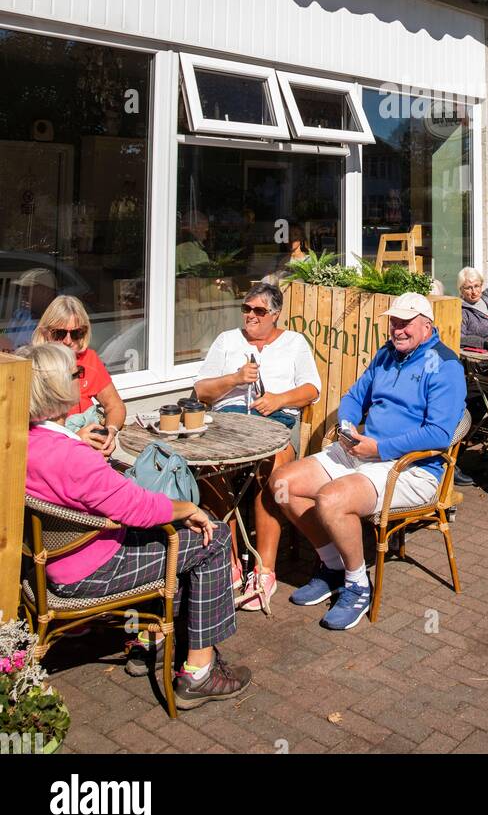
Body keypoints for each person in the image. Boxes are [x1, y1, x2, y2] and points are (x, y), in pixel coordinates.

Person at [21, 342, 250, 708]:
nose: (80, 379)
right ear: (57, 389)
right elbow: (136, 509)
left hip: (48, 562)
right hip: (90, 570)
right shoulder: (72, 456)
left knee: (172, 536)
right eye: (75, 374)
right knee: (215, 538)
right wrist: (187, 506)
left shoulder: (22, 443)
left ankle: (154, 641)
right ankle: (199, 672)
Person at [270, 292, 466, 631]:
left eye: (405, 323)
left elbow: (437, 434)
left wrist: (378, 448)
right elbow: (354, 397)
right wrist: (347, 428)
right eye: (393, 322)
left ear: (427, 326)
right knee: (283, 485)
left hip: (412, 468)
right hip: (364, 450)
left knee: (331, 500)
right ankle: (332, 565)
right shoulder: (386, 354)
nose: (397, 329)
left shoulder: (445, 366)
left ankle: (358, 584)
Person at [194, 282, 320, 610]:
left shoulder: (294, 343)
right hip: (228, 422)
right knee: (209, 469)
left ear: (275, 315)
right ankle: (231, 562)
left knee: (273, 469)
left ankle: (264, 570)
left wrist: (279, 399)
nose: (251, 316)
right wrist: (234, 379)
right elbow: (202, 392)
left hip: (276, 422)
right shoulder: (227, 341)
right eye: (247, 309)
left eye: (259, 311)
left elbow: (312, 390)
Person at [33, 295, 126, 457]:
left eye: (76, 333)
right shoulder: (34, 365)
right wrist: (75, 439)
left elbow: (115, 405)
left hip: (89, 453)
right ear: (45, 332)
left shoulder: (89, 359)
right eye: (59, 334)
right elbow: (31, 433)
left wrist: (110, 431)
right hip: (55, 454)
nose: (68, 341)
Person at [6, 268, 58, 347]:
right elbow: (6, 338)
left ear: (46, 292)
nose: (23, 293)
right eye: (22, 289)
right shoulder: (20, 314)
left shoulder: (60, 321)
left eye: (28, 289)